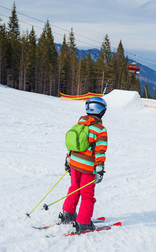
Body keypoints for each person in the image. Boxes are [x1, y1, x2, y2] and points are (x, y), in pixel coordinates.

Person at [56, 96, 108, 233]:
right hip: (87, 168)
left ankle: (67, 214)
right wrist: (100, 169)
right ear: (101, 111)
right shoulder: (100, 129)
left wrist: (68, 160)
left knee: (74, 188)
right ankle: (83, 222)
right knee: (87, 195)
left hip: (74, 164)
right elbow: (100, 151)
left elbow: (71, 146)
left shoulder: (78, 125)